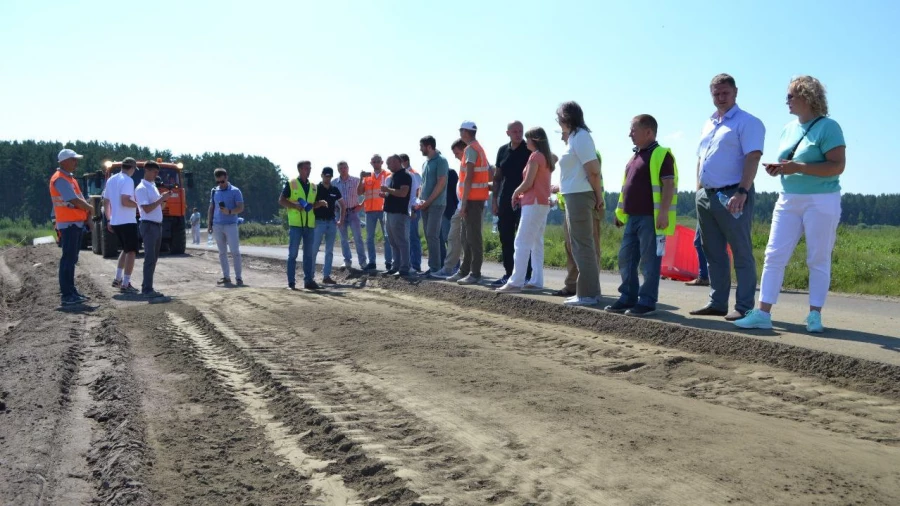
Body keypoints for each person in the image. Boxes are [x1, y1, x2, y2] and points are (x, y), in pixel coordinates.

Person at [735, 76, 846, 333]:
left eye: (790, 96)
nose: (787, 101)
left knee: (817, 258)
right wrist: (781, 169)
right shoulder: (788, 128)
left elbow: (837, 166)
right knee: (773, 254)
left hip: (822, 200)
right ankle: (762, 313)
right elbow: (791, 163)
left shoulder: (829, 127)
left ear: (807, 97)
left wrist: (798, 167)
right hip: (788, 198)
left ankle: (814, 315)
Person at [690, 73, 766, 321]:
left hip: (734, 193)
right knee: (712, 250)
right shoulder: (709, 123)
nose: (721, 98)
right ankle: (717, 302)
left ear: (735, 93)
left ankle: (744, 306)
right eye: (716, 94)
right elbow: (701, 157)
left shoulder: (747, 122)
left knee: (740, 250)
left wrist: (743, 191)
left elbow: (752, 157)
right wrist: (699, 189)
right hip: (707, 195)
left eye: (725, 93)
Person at [606, 115, 678, 317]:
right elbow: (626, 188)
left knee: (649, 262)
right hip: (632, 217)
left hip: (651, 218)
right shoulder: (635, 156)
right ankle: (627, 297)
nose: (629, 134)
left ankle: (646, 301)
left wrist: (663, 213)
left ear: (649, 132)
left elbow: (668, 186)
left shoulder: (661, 154)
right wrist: (620, 213)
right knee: (625, 258)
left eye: (633, 130)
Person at [556, 102, 604, 306]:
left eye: (559, 117)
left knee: (583, 245)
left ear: (566, 117)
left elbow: (593, 170)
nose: (558, 122)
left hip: (580, 195)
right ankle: (586, 291)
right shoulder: (575, 138)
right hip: (573, 195)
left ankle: (589, 294)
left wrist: (598, 197)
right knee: (578, 245)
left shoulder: (581, 137)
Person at [496, 127, 553, 293]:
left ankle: (516, 281)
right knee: (536, 243)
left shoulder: (535, 156)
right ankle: (536, 280)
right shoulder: (545, 157)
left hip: (533, 203)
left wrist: (515, 192)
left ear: (534, 140)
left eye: (528, 138)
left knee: (521, 242)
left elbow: (528, 182)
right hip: (542, 203)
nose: (525, 141)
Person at [447, 121, 490, 285]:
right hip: (473, 199)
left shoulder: (471, 149)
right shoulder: (475, 148)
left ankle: (474, 273)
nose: (459, 133)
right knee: (466, 237)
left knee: (472, 238)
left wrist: (463, 203)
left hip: (473, 200)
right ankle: (465, 271)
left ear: (465, 132)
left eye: (461, 130)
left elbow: (469, 177)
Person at [50, 148, 94, 305]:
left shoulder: (70, 179)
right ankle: (67, 295)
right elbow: (73, 199)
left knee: (71, 258)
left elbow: (78, 198)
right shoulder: (60, 179)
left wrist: (87, 212)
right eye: (73, 159)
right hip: (68, 225)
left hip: (74, 223)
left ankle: (71, 291)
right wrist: (90, 208)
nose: (76, 162)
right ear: (64, 162)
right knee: (68, 259)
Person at [492, 121, 533, 286]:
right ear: (508, 133)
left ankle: (526, 275)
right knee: (505, 236)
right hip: (505, 199)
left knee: (523, 238)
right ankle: (509, 273)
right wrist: (494, 200)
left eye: (520, 131)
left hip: (525, 199)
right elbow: (497, 177)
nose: (518, 134)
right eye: (515, 131)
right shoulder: (502, 150)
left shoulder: (528, 149)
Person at [279, 161, 326, 290]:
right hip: (295, 224)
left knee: (309, 255)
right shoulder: (292, 183)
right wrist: (294, 206)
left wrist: (319, 203)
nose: (308, 170)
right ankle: (291, 283)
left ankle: (309, 281)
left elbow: (312, 205)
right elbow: (281, 200)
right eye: (306, 168)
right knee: (293, 254)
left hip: (309, 225)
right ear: (299, 169)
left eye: (310, 168)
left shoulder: (313, 186)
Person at [134, 161, 172, 298]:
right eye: (155, 172)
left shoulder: (152, 186)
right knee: (149, 258)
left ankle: (149, 287)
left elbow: (157, 208)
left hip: (156, 224)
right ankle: (147, 289)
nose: (157, 175)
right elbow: (146, 209)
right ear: (147, 171)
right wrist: (161, 199)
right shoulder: (141, 188)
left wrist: (164, 200)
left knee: (154, 258)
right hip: (149, 224)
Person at [415, 136, 449, 277]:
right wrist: (419, 200)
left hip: (436, 204)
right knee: (430, 236)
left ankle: (436, 268)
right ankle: (434, 267)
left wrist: (428, 201)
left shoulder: (441, 161)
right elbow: (423, 184)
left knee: (432, 235)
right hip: (425, 205)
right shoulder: (425, 163)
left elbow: (441, 183)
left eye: (421, 146)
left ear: (429, 146)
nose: (420, 149)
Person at [106, 157, 140, 294]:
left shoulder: (111, 179)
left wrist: (108, 219)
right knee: (131, 252)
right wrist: (139, 206)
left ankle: (117, 278)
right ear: (131, 168)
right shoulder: (128, 180)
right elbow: (125, 201)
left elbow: (106, 201)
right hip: (127, 221)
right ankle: (126, 283)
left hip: (115, 221)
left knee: (125, 250)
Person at [208, 167, 244, 286]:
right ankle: (226, 277)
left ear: (226, 178)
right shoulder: (214, 191)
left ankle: (238, 277)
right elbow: (211, 208)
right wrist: (209, 224)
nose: (220, 184)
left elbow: (240, 207)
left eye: (222, 181)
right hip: (217, 225)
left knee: (235, 252)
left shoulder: (235, 191)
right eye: (218, 182)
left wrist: (229, 211)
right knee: (222, 252)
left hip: (231, 225)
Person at [434, 140, 464, 276]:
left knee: (449, 237)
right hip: (435, 210)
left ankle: (455, 265)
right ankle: (443, 265)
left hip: (448, 211)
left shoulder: (451, 173)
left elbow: (454, 193)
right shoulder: (431, 174)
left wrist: (453, 210)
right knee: (439, 238)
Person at [359, 154, 392, 271]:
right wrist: (360, 178)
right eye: (374, 162)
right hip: (369, 210)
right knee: (369, 238)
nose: (376, 163)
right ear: (371, 163)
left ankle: (389, 262)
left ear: (382, 162)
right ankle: (372, 262)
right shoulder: (367, 177)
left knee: (387, 237)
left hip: (383, 209)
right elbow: (359, 192)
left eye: (378, 161)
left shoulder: (388, 175)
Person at [381, 154, 412, 277]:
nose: (387, 166)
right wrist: (386, 195)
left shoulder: (405, 176)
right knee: (393, 241)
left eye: (389, 163)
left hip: (398, 213)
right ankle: (395, 266)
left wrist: (388, 190)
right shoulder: (393, 176)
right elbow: (395, 193)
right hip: (389, 212)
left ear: (397, 162)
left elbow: (403, 193)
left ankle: (404, 268)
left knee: (401, 241)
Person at [313, 166, 344, 285]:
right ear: (321, 175)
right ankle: (310, 276)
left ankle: (326, 276)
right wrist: (319, 204)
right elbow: (310, 205)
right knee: (314, 249)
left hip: (331, 222)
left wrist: (341, 219)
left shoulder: (335, 190)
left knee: (329, 251)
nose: (327, 178)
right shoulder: (316, 189)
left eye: (329, 176)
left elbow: (342, 205)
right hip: (318, 222)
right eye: (326, 175)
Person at [333, 161, 367, 269]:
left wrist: (361, 205)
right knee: (343, 238)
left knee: (358, 237)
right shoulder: (334, 183)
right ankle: (347, 261)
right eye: (341, 168)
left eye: (345, 167)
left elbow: (369, 193)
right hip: (339, 213)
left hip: (353, 211)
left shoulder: (356, 181)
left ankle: (363, 262)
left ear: (348, 168)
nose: (343, 170)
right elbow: (330, 197)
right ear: (338, 170)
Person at [401, 154, 423, 272]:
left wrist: (414, 208)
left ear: (405, 162)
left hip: (413, 208)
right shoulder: (401, 174)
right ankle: (407, 263)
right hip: (404, 209)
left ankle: (415, 264)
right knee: (405, 237)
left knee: (413, 237)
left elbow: (418, 192)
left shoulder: (414, 174)